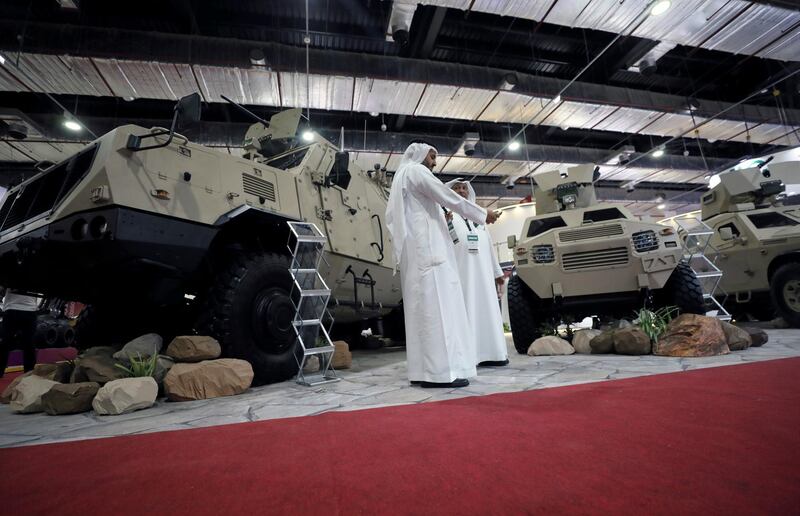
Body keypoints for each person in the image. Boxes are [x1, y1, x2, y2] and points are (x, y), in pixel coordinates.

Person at [386, 142, 500, 388]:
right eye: (432, 156)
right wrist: (483, 213)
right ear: (419, 153)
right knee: (437, 312)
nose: (435, 162)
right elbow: (448, 196)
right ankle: (440, 373)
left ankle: (422, 371)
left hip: (417, 254)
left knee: (421, 313)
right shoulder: (416, 171)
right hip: (429, 254)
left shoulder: (403, 176)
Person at [445, 179, 509, 367]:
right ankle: (471, 356)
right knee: (466, 309)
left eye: (464, 188)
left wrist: (497, 272)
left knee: (487, 309)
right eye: (456, 188)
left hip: (483, 274)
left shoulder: (478, 217)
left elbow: (488, 245)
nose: (461, 191)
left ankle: (494, 353)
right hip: (460, 273)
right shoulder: (445, 215)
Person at [0, 289, 41, 377]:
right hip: (29, 310)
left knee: (5, 343)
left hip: (12, 308)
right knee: (29, 344)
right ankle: (29, 373)